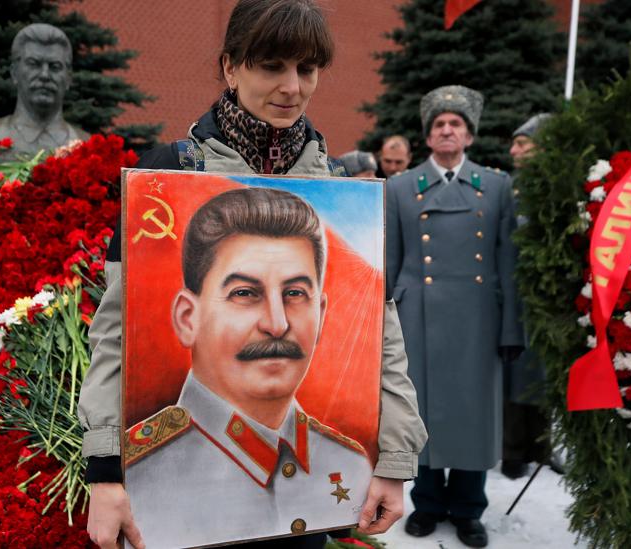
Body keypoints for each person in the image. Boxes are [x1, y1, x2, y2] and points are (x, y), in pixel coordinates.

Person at [78, 1, 428, 548]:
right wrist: (104, 471)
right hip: (177, 514)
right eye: (272, 66)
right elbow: (114, 335)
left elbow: (384, 339)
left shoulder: (341, 187)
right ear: (230, 67)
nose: (292, 87)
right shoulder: (165, 173)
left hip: (306, 506)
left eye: (306, 69)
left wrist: (394, 458)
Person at [124, 187, 374, 548]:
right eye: (244, 293)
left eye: (295, 294)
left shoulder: (347, 461)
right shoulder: (141, 475)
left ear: (321, 313)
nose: (277, 323)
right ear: (188, 317)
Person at [385, 85, 522, 548]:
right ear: (428, 137)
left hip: (479, 319)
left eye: (456, 124)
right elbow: (390, 260)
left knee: (473, 413)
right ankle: (426, 504)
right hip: (416, 318)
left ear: (469, 136)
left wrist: (510, 328)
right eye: (439, 124)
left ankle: (467, 509)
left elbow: (507, 262)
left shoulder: (497, 186)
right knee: (419, 410)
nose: (447, 130)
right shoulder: (401, 187)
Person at [502, 113, 554, 479]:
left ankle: (542, 446)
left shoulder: (557, 189)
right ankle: (512, 451)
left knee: (546, 373)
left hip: (548, 301)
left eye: (523, 143)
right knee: (517, 374)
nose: (513, 150)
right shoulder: (510, 190)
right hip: (515, 297)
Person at [0, 23, 90, 189]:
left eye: (55, 66)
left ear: (68, 78)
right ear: (14, 73)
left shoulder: (86, 146)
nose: (44, 75)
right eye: (33, 64)